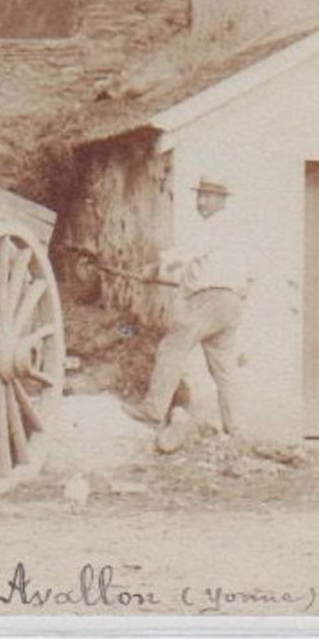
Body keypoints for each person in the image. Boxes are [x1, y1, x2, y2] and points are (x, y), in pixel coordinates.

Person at [121, 175, 249, 448]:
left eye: (208, 197)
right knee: (224, 369)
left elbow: (185, 254)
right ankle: (235, 429)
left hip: (210, 301)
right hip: (231, 303)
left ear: (222, 200)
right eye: (199, 196)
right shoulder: (237, 231)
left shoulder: (215, 226)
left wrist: (157, 267)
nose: (201, 202)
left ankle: (153, 410)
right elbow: (205, 271)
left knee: (172, 347)